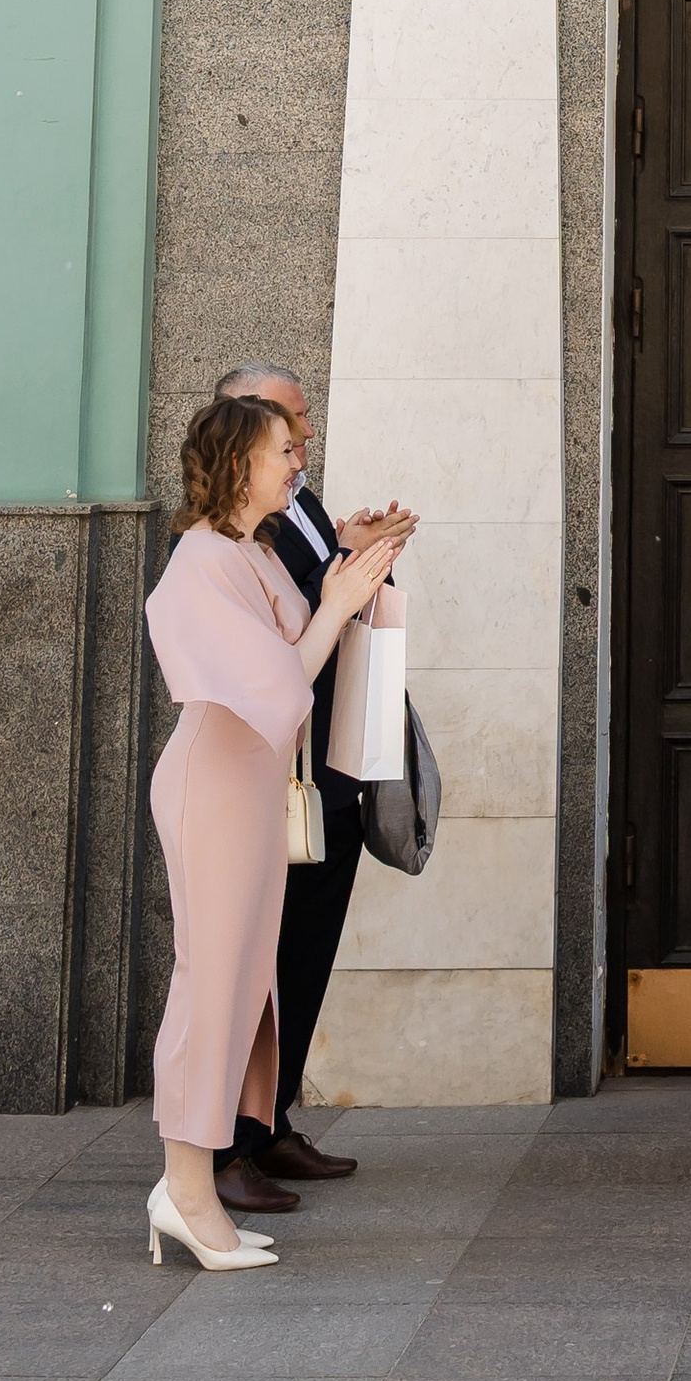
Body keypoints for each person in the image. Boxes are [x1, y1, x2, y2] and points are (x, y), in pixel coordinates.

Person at [142, 391, 397, 1271]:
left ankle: (197, 1186)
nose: (298, 463)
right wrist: (335, 603)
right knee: (211, 984)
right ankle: (185, 1187)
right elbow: (281, 686)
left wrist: (353, 572)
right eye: (284, 450)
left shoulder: (249, 553)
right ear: (238, 463)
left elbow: (313, 644)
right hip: (212, 789)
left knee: (248, 986)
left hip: (249, 791)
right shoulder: (202, 562)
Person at [214, 362, 417, 1219]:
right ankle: (224, 1147)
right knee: (252, 965)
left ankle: (274, 1114)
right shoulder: (226, 536)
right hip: (273, 774)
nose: (303, 445)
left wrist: (357, 548)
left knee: (306, 953)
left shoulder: (298, 503)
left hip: (327, 766)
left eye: (303, 428)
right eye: (287, 430)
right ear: (239, 435)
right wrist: (341, 570)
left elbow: (323, 589)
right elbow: (286, 623)